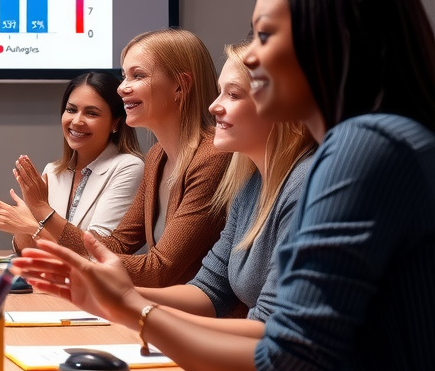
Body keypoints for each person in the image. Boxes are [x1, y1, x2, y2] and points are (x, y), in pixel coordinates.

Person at [15, 0, 435, 371]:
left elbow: (282, 370)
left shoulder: (365, 147)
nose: (250, 57)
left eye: (265, 36)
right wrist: (117, 299)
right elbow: (222, 298)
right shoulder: (366, 145)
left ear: (334, 40)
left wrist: (134, 311)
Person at [14, 28, 230, 286]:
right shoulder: (157, 157)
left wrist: (42, 212)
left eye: (137, 75)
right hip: (164, 306)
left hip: (193, 311)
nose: (121, 89)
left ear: (180, 86)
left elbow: (158, 271)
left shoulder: (212, 158)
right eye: (124, 76)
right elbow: (116, 245)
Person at [135, 41, 314, 324]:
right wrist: (122, 294)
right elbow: (209, 290)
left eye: (233, 94)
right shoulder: (250, 186)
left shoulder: (305, 185)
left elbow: (270, 325)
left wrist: (137, 309)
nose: (214, 106)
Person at [0, 71, 144, 253]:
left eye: (91, 113)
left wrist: (34, 222)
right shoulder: (52, 171)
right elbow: (28, 251)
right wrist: (20, 226)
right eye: (71, 110)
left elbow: (98, 252)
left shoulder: (129, 167)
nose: (77, 121)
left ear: (116, 123)